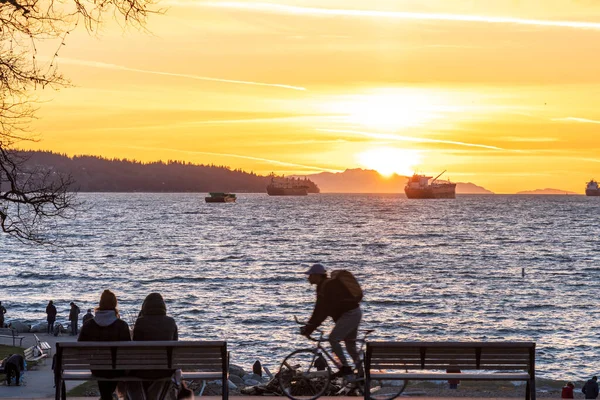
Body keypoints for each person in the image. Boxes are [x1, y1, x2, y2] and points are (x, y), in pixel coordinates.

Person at [300, 263, 362, 378]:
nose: (308, 278)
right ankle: (361, 374)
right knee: (350, 345)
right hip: (352, 313)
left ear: (317, 276)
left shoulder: (328, 286)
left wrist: (310, 328)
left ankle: (345, 368)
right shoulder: (323, 286)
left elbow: (323, 311)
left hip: (350, 314)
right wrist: (310, 327)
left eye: (310, 275)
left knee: (333, 339)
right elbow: (319, 310)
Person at [78, 290, 131, 400]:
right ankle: (106, 397)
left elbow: (80, 347)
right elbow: (127, 351)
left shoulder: (88, 325)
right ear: (114, 304)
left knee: (104, 375)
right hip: (116, 369)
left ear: (100, 304)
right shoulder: (122, 325)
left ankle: (105, 397)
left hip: (97, 368)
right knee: (113, 368)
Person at [129, 292, 178, 399]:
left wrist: (140, 317)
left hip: (142, 370)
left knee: (131, 376)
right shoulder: (171, 322)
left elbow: (135, 347)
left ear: (144, 307)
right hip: (165, 370)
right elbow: (175, 346)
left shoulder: (140, 322)